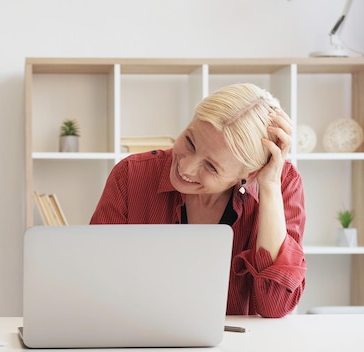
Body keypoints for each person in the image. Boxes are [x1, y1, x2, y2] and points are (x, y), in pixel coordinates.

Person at [90, 83, 306, 318]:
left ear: (250, 174)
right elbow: (96, 284)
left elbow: (274, 306)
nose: (186, 167)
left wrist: (270, 186)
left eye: (211, 166)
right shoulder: (131, 175)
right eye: (190, 142)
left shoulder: (282, 184)